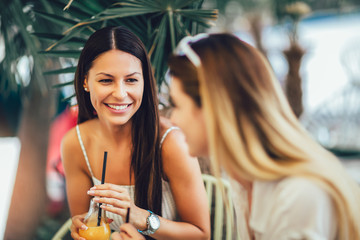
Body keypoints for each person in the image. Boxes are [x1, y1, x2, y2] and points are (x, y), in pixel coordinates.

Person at [167, 32, 360, 240]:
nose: (172, 120)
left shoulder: (295, 197)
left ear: (214, 109)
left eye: (176, 105)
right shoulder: (243, 179)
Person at [61, 26, 210, 240]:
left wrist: (141, 218)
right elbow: (83, 219)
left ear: (144, 82)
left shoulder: (171, 142)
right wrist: (79, 226)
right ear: (85, 81)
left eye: (131, 80)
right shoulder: (75, 143)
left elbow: (201, 235)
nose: (120, 94)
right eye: (106, 80)